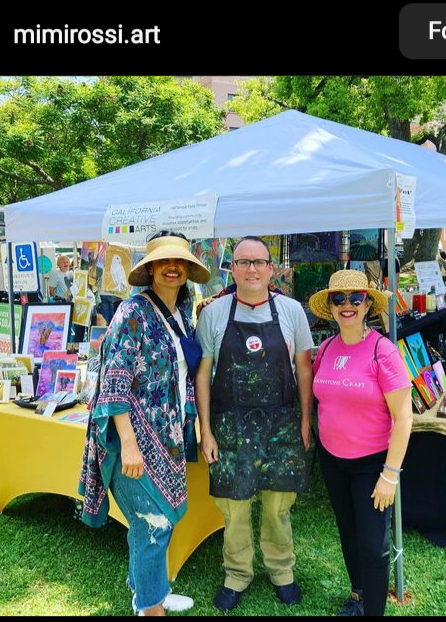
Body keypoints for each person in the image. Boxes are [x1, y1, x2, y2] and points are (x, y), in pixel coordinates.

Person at [79, 231, 210, 616]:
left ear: (187, 268)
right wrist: (130, 444)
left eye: (180, 261)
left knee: (154, 526)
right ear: (150, 268)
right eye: (165, 261)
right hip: (132, 441)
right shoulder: (132, 313)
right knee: (151, 525)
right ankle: (151, 609)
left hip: (166, 440)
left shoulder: (184, 314)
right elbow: (115, 379)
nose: (173, 267)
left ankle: (149, 592)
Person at [195, 236, 314, 612]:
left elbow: (304, 369)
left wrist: (306, 421)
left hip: (281, 423)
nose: (251, 269)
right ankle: (237, 575)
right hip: (229, 426)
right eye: (243, 262)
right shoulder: (213, 314)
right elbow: (202, 376)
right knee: (235, 507)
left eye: (259, 262)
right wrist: (206, 430)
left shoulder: (292, 311)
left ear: (271, 268)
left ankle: (282, 572)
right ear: (231, 268)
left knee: (278, 505)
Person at [308, 270, 413, 616]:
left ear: (368, 303)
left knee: (373, 545)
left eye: (356, 298)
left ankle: (374, 610)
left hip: (372, 464)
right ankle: (358, 596)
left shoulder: (383, 352)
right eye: (340, 299)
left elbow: (404, 418)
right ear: (331, 306)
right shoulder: (325, 348)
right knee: (348, 532)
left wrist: (390, 474)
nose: (348, 305)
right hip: (333, 459)